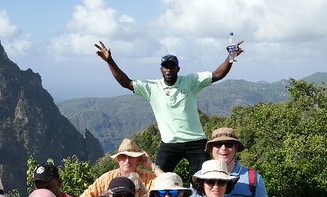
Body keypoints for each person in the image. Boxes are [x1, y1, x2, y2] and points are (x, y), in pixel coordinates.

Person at [95, 41, 244, 174]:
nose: (168, 70)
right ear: (161, 69)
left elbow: (217, 74)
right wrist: (110, 61)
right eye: (165, 67)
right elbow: (126, 83)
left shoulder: (191, 81)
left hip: (196, 141)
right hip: (169, 143)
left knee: (206, 178)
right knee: (160, 181)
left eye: (172, 67)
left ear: (178, 69)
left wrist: (231, 56)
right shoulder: (152, 88)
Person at [79, 138, 163, 197]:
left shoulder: (147, 177)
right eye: (123, 156)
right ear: (118, 159)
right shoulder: (107, 178)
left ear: (138, 159)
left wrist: (151, 165)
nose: (127, 160)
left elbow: (170, 183)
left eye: (131, 156)